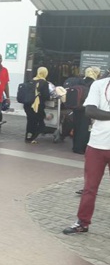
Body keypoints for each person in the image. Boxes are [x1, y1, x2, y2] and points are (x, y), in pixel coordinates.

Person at [62, 73, 110, 234]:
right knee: (90, 188)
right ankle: (82, 222)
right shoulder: (99, 85)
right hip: (96, 145)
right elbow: (90, 111)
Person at [72, 67, 100, 154]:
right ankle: (82, 148)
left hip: (76, 108)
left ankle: (75, 147)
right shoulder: (94, 83)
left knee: (76, 127)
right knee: (84, 129)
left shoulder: (79, 81)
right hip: (86, 109)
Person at [23, 67, 52, 144]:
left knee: (30, 121)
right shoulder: (44, 83)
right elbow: (46, 96)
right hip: (36, 105)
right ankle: (33, 137)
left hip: (27, 104)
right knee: (39, 122)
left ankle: (29, 137)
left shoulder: (31, 81)